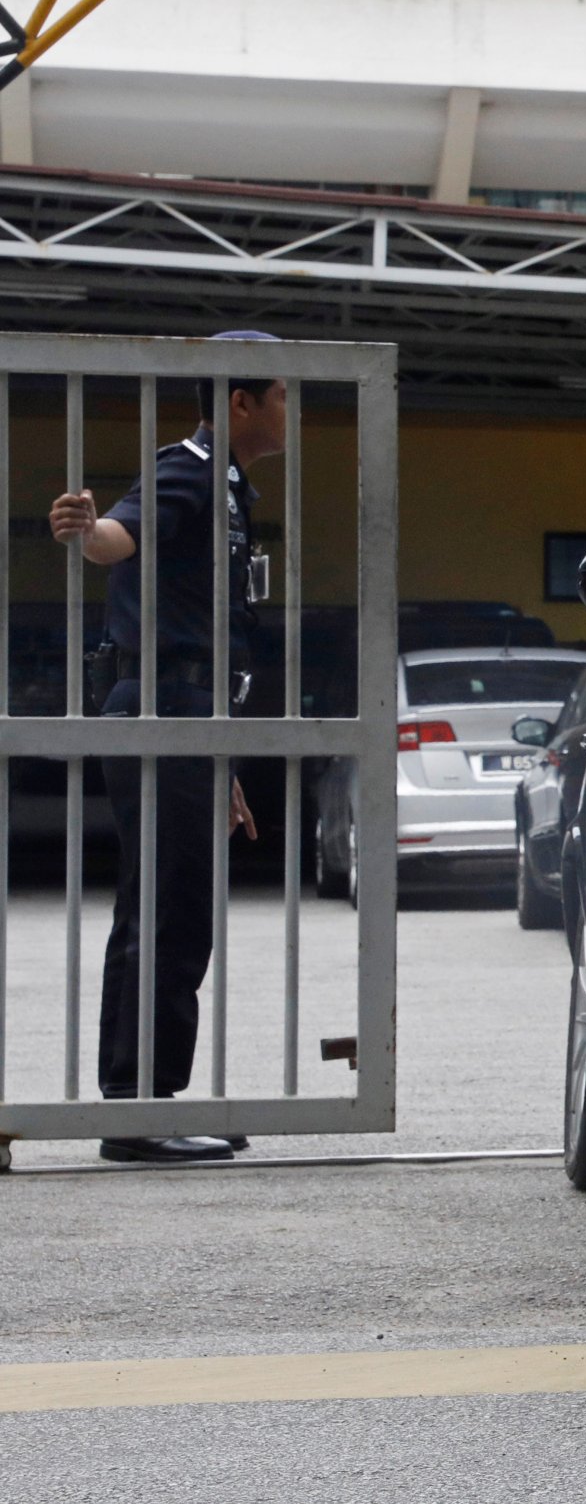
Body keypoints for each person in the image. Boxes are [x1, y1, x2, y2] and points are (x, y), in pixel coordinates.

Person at [49, 337, 285, 1163]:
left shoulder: (227, 487)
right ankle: (135, 1109)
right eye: (281, 395)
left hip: (189, 716)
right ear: (239, 404)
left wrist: (218, 758)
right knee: (163, 909)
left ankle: (151, 1097)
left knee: (176, 906)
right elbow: (120, 536)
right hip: (161, 708)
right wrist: (87, 532)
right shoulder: (186, 469)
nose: (291, 410)